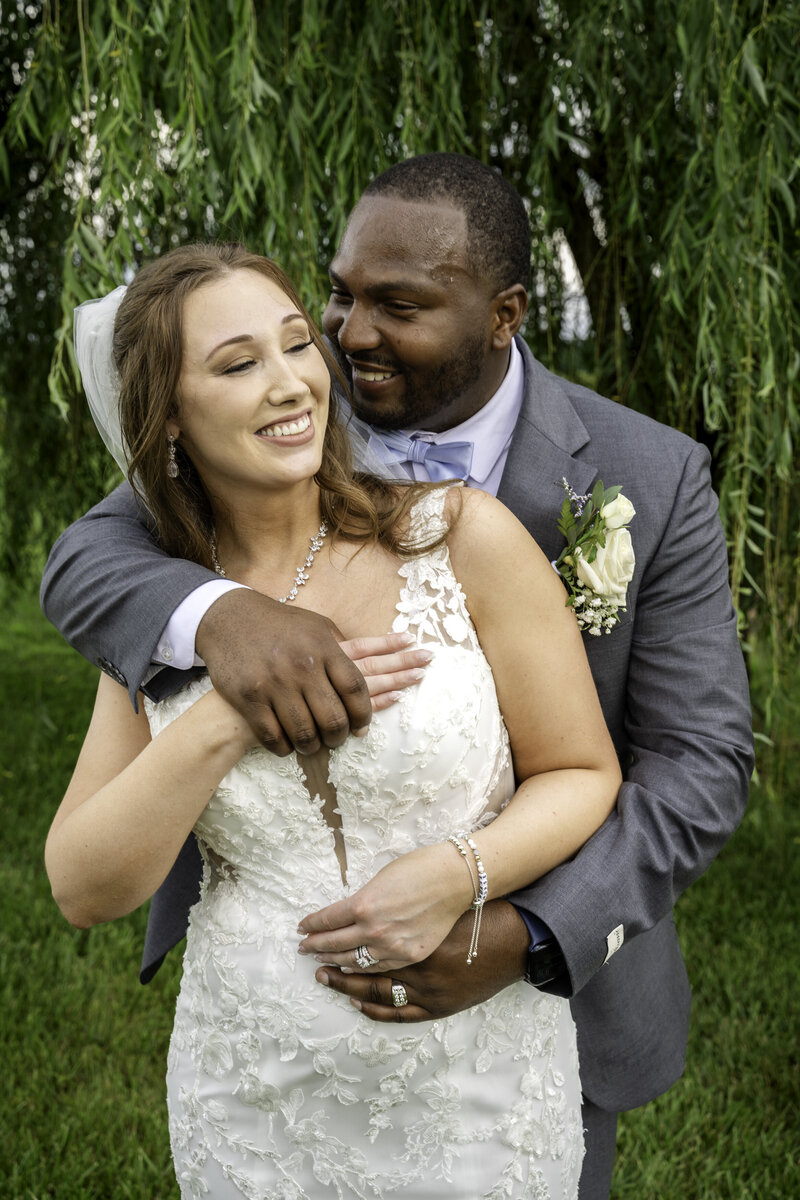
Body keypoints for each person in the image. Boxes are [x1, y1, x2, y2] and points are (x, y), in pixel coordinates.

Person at [41, 155, 754, 1200]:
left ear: (504, 313)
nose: (333, 346)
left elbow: (690, 764)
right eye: (332, 300)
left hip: (504, 1035)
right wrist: (222, 647)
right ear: (175, 417)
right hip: (255, 1076)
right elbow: (90, 572)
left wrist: (514, 929)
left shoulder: (622, 486)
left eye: (397, 305)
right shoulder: (173, 567)